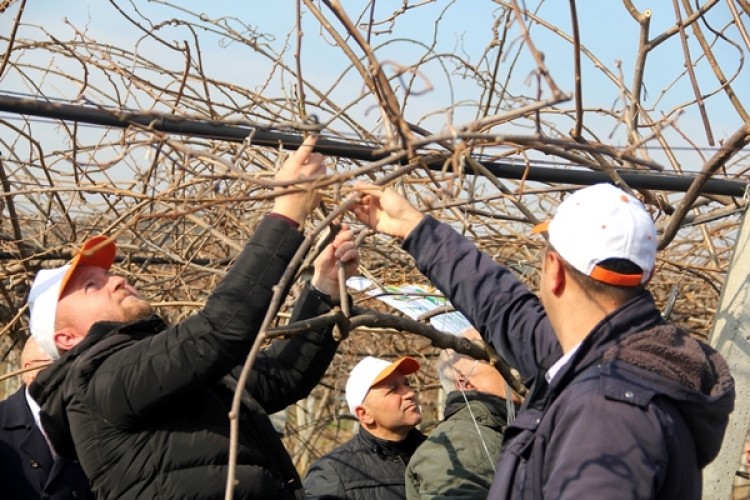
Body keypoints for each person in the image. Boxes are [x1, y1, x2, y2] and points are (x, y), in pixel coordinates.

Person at [27, 136, 360, 500]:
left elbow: (282, 377)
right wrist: (287, 214)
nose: (117, 279)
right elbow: (219, 329)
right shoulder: (98, 381)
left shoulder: (167, 375)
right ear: (67, 338)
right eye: (92, 286)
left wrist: (323, 289)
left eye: (108, 274)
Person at [352, 182, 735, 499]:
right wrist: (415, 229)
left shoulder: (606, 414)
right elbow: (502, 305)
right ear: (644, 275)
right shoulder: (614, 361)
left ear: (553, 270)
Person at [405, 328, 515, 499]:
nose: (514, 370)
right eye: (499, 362)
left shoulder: (507, 429)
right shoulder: (453, 446)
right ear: (466, 385)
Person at [304, 355, 426, 499]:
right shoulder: (334, 473)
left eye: (407, 384)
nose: (410, 393)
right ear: (364, 414)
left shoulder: (440, 453)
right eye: (393, 390)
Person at [0, 337, 94, 499]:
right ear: (30, 370)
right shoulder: (3, 421)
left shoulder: (91, 419)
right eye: (60, 366)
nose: (72, 375)